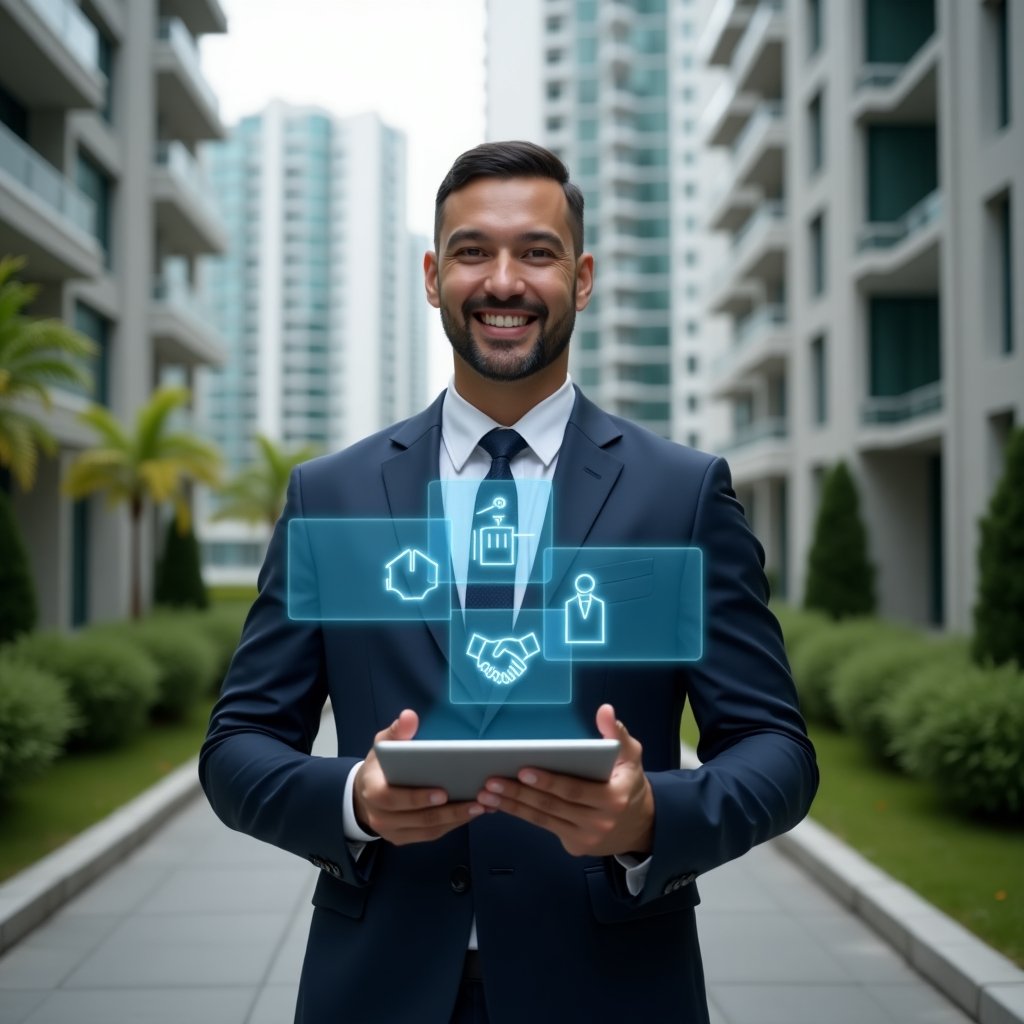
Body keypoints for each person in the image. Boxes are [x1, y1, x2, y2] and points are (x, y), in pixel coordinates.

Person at [200, 141, 818, 1024]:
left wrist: (649, 821)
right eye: (471, 251)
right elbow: (238, 746)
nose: (503, 281)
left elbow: (776, 749)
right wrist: (354, 803)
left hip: (613, 987)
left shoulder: (679, 496)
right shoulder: (332, 495)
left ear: (584, 276)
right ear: (431, 274)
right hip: (376, 986)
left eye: (536, 252)